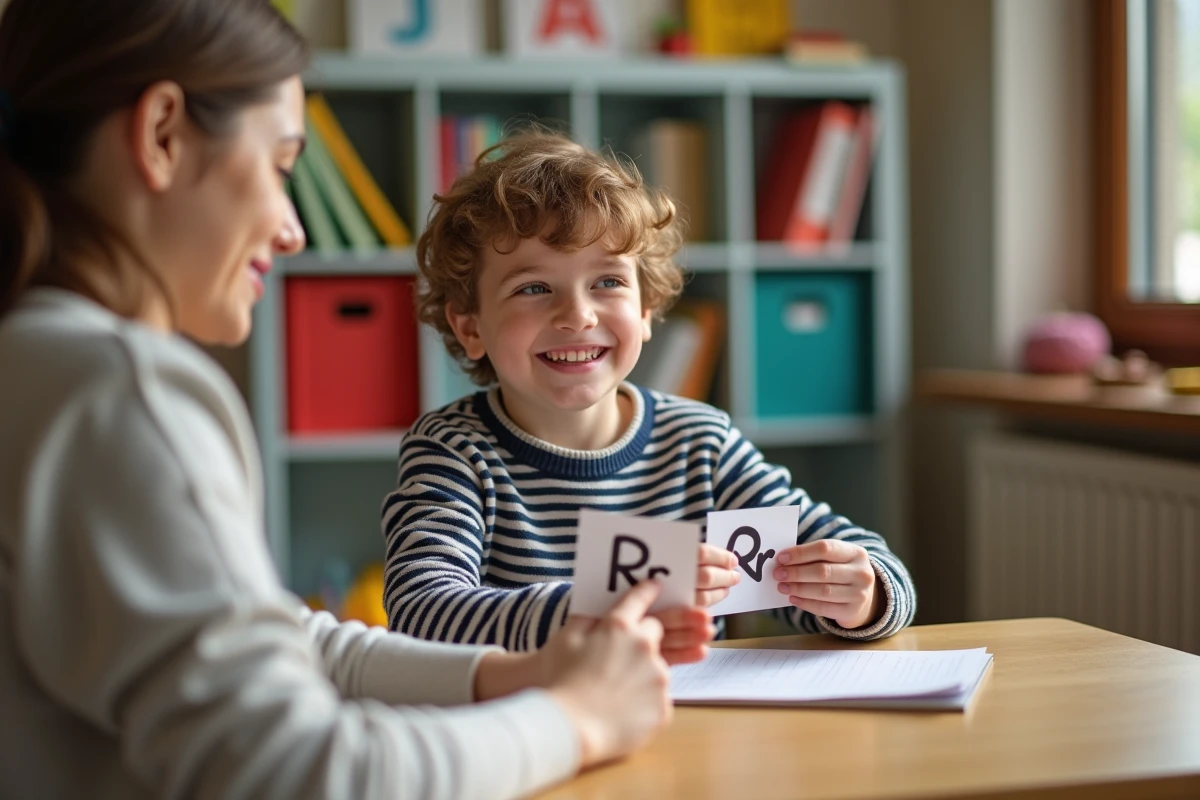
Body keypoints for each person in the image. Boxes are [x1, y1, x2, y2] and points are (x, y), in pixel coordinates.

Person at [0, 2, 701, 798]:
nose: (292, 229)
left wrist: (507, 675)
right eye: (278, 167)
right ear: (163, 134)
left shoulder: (36, 361)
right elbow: (296, 770)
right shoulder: (116, 388)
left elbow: (281, 638)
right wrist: (576, 719)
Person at [382, 130, 918, 657]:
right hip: (535, 732)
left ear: (644, 310)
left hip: (688, 729)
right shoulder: (453, 451)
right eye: (533, 288)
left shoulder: (699, 443)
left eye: (608, 282)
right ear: (470, 326)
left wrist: (864, 594)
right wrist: (608, 607)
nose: (578, 315)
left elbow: (853, 563)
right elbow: (422, 611)